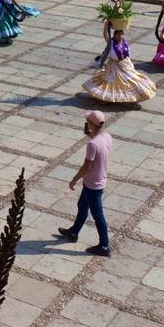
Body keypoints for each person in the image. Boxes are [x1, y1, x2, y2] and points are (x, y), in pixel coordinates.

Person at [58, 110, 112, 257]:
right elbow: (99, 146)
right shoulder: (107, 137)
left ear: (90, 124)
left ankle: (104, 246)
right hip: (95, 181)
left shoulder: (92, 145)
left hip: (93, 185)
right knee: (82, 206)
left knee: (98, 215)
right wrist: (90, 133)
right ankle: (73, 232)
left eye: (87, 121)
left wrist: (74, 179)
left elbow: (86, 167)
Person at [83, 26, 157, 103]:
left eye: (121, 34)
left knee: (131, 79)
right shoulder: (111, 42)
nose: (120, 36)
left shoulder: (124, 42)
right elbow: (105, 34)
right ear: (114, 35)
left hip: (125, 64)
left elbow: (127, 54)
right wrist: (106, 24)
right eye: (118, 35)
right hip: (114, 66)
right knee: (112, 82)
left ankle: (139, 94)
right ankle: (106, 98)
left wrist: (129, 64)